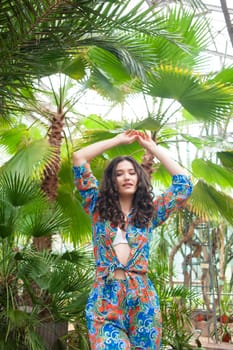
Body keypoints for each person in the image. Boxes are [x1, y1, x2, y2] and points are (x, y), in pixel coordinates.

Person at [72, 130, 193, 350]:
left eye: (131, 172)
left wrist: (152, 148)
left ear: (139, 178)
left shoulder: (149, 214)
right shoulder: (96, 207)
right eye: (119, 173)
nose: (127, 177)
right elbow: (79, 158)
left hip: (142, 299)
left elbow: (184, 183)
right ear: (112, 180)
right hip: (105, 298)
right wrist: (118, 140)